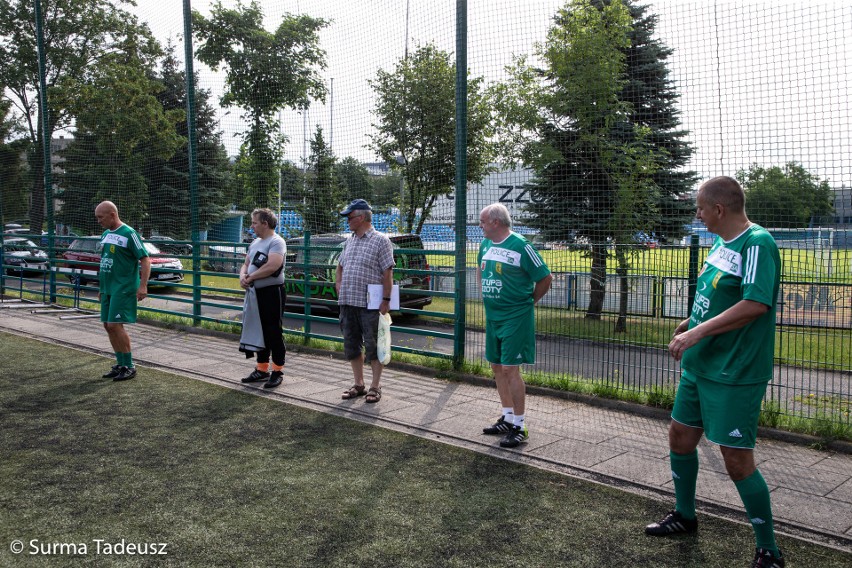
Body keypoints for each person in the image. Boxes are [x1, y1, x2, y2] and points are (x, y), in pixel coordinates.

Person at [644, 177, 784, 568]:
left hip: (734, 371)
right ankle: (685, 516)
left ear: (719, 210)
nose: (698, 216)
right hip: (700, 364)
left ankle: (769, 550)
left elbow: (756, 303)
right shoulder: (722, 242)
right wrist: (693, 320)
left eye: (700, 209)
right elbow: (720, 294)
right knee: (680, 436)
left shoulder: (757, 243)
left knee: (736, 460)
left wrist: (697, 332)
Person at [478, 203, 552, 448]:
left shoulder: (521, 245)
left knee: (511, 369)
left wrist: (529, 302)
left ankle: (519, 425)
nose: (480, 226)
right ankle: (507, 417)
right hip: (493, 316)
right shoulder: (485, 245)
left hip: (516, 317)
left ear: (496, 222)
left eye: (482, 222)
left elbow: (545, 277)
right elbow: (481, 271)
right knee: (497, 366)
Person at [336, 199, 394, 404]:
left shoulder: (381, 240)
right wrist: (339, 287)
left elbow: (387, 272)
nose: (348, 221)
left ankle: (375, 386)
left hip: (370, 304)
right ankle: (359, 384)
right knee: (351, 344)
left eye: (350, 217)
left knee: (374, 346)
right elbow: (340, 266)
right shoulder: (349, 240)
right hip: (348, 301)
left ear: (361, 217)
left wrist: (386, 300)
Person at [95, 201, 151, 382]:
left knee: (114, 325)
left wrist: (142, 285)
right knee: (107, 325)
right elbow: (105, 261)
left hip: (123, 287)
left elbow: (145, 260)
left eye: (100, 217)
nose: (98, 221)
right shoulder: (105, 234)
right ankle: (120, 363)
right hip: (108, 288)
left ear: (112, 215)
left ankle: (129, 365)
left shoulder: (129, 233)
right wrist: (101, 287)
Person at [239, 208, 287, 389]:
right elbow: (246, 264)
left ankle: (277, 371)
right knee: (259, 330)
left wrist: (250, 278)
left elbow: (273, 265)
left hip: (272, 293)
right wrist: (242, 276)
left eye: (254, 222)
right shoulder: (255, 242)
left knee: (273, 331)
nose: (252, 226)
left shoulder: (277, 242)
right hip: (254, 293)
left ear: (265, 224)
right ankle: (261, 369)